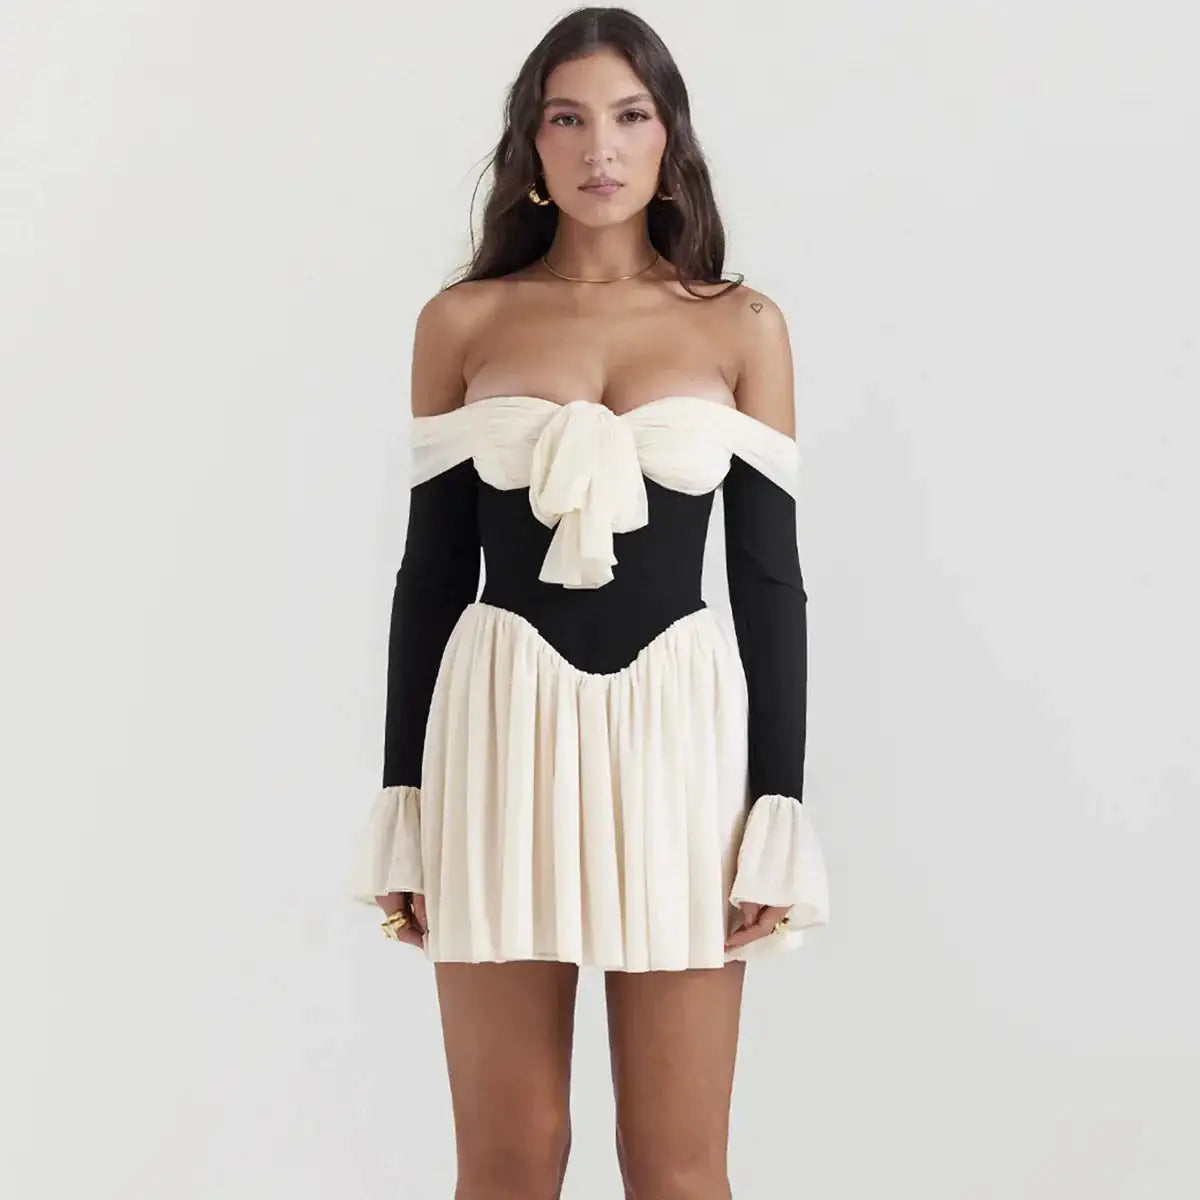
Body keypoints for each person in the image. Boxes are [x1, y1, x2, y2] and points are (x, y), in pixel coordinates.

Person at [349, 7, 829, 1196]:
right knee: (513, 1157)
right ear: (531, 142)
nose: (599, 148)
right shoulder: (462, 321)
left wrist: (778, 809)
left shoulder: (743, 325)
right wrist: (404, 801)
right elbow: (428, 576)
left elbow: (771, 583)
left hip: (682, 743)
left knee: (677, 1164)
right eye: (567, 119)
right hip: (498, 733)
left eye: (629, 116)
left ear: (670, 138)